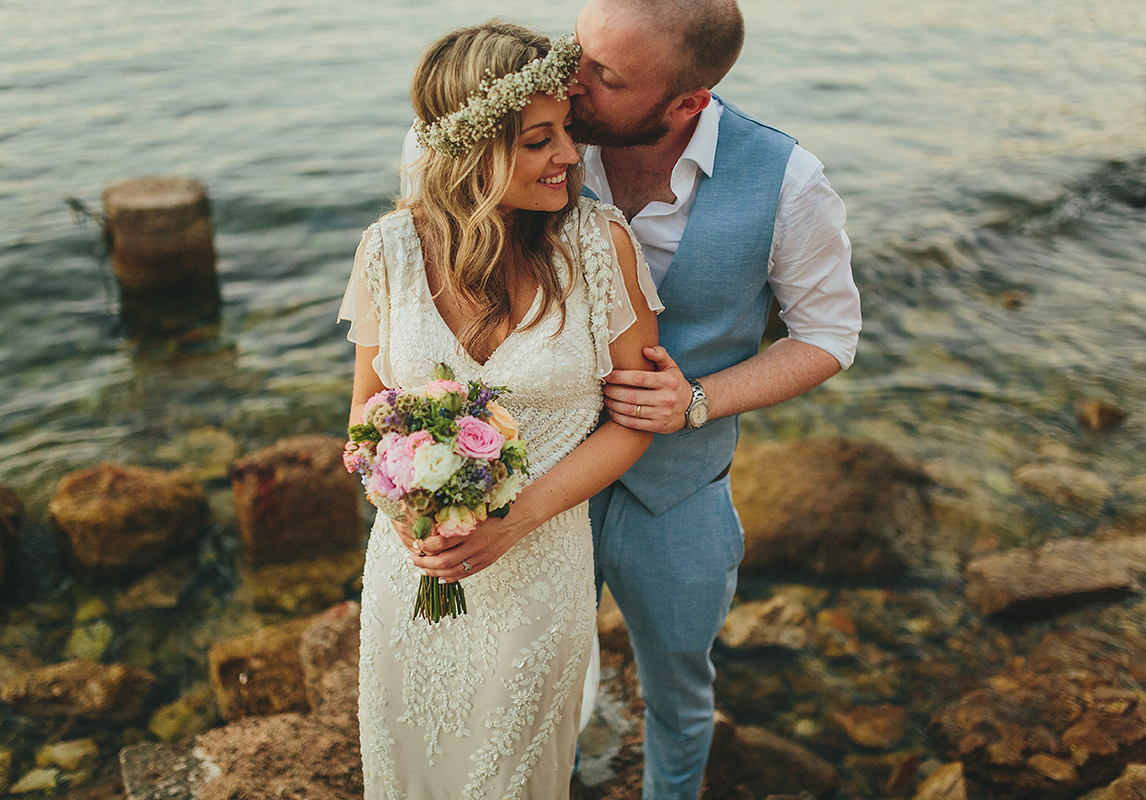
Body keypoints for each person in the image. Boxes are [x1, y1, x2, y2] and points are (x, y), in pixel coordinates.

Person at [406, 1, 862, 798]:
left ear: (685, 103)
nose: (570, 83)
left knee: (680, 689)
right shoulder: (545, 136)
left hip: (679, 498)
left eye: (605, 77)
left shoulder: (789, 183)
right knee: (525, 679)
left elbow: (828, 336)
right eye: (578, 51)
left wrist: (698, 399)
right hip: (533, 482)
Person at [338, 21, 663, 799]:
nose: (570, 156)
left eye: (568, 133)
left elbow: (634, 420)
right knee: (409, 757)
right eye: (538, 140)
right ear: (470, 150)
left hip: (540, 563)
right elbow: (364, 421)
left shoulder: (597, 244)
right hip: (413, 563)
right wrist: (415, 513)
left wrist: (512, 519)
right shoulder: (388, 250)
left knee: (508, 774)